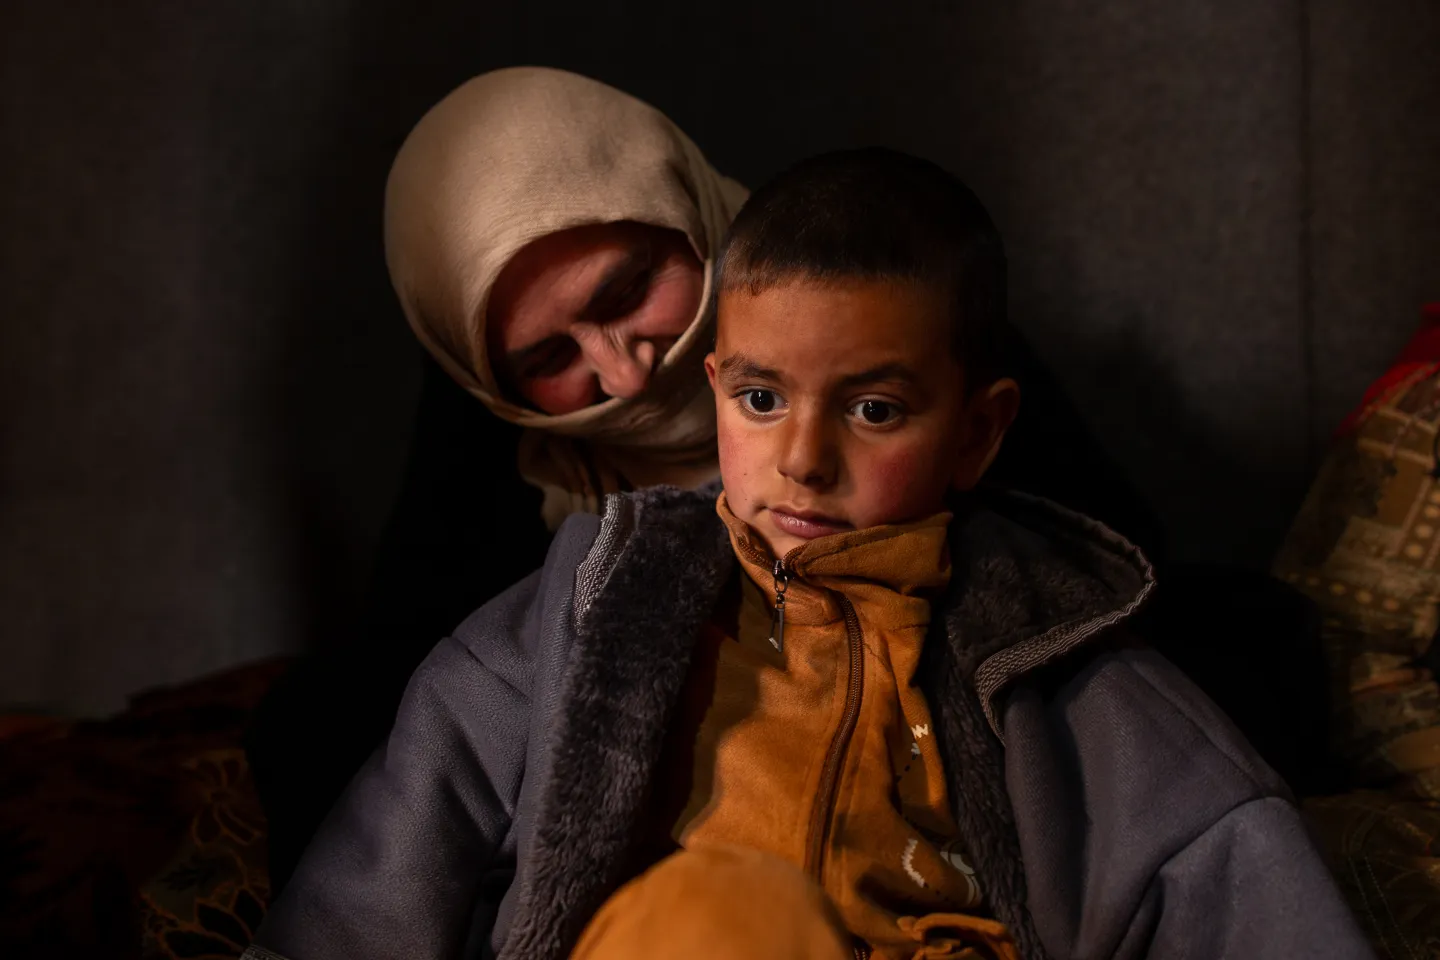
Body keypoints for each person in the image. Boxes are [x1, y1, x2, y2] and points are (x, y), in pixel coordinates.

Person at [244, 149, 1370, 960]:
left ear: (977, 432)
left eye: (874, 410)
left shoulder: (1057, 662)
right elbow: (370, 896)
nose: (803, 460)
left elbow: (1239, 874)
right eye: (760, 398)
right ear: (716, 386)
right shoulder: (578, 617)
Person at [245, 69, 1169, 897]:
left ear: (690, 219)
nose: (627, 375)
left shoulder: (897, 321)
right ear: (489, 381)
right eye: (551, 358)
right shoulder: (507, 526)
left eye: (624, 293)